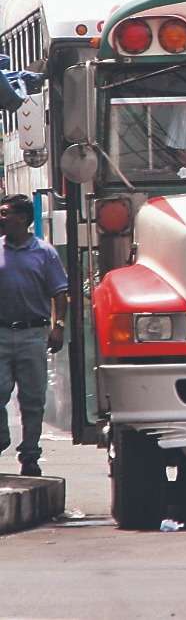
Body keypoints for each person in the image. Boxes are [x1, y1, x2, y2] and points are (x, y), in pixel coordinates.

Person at [0, 195, 68, 477]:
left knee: (32, 399)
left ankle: (29, 455)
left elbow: (59, 292)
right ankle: (2, 438)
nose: (1, 218)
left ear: (22, 219)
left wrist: (58, 325)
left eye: (5, 213)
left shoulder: (44, 252)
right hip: (1, 333)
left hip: (32, 334)